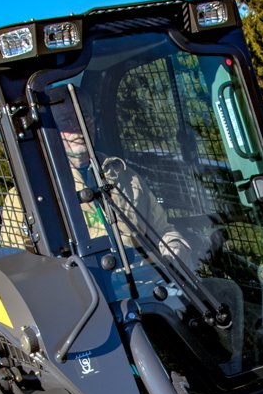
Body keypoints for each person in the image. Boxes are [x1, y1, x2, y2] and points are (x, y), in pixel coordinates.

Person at [52, 103, 200, 272]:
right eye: (67, 120)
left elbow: (162, 230)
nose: (77, 126)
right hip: (98, 292)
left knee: (228, 291)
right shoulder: (42, 196)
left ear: (94, 121)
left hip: (150, 283)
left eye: (83, 117)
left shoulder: (125, 176)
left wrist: (175, 248)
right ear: (52, 131)